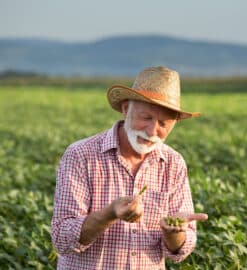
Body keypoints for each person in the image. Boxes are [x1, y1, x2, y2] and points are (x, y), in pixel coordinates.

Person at [51, 66, 208, 269]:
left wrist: (175, 234)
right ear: (126, 109)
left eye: (163, 124)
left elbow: (180, 252)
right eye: (146, 118)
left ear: (174, 124)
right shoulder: (81, 155)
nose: (152, 131)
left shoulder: (173, 163)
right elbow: (62, 239)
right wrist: (110, 213)